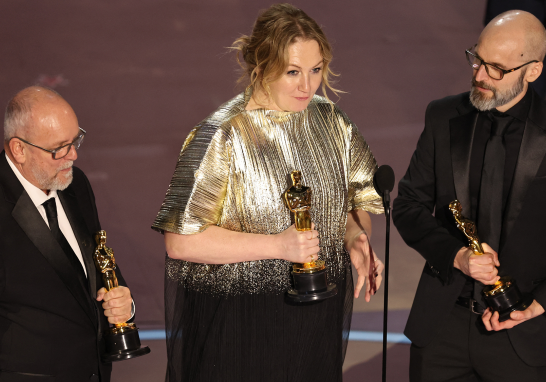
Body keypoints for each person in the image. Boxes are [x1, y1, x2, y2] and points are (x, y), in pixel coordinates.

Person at [152, 3, 384, 381]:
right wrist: (278, 246)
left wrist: (356, 236)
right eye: (292, 72)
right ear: (261, 66)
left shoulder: (332, 122)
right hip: (240, 320)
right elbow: (180, 242)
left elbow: (353, 206)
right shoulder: (221, 134)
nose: (307, 86)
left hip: (314, 316)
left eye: (315, 69)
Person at [393, 10, 546, 382]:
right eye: (476, 58)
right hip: (442, 327)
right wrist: (457, 256)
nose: (479, 75)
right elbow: (408, 206)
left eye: (496, 68)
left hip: (521, 333)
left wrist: (539, 304)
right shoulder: (443, 116)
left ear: (532, 71)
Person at [0, 86, 134, 382]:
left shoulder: (76, 185)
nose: (72, 155)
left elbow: (100, 261)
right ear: (18, 149)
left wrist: (124, 299)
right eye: (59, 147)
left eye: (76, 140)